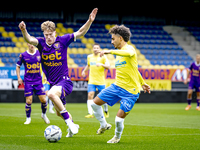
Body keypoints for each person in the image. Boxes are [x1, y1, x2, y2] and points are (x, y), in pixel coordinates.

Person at [18, 8, 98, 136]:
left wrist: (89, 21)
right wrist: (24, 30)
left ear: (55, 32)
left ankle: (70, 124)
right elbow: (29, 39)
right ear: (43, 34)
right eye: (46, 35)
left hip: (65, 81)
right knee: (58, 112)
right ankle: (72, 125)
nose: (48, 37)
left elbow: (80, 32)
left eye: (50, 34)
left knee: (50, 94)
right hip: (54, 84)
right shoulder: (41, 43)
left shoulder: (63, 40)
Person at [90, 25, 151, 143]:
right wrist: (143, 83)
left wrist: (109, 51)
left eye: (113, 39)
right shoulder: (118, 54)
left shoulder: (130, 50)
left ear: (120, 38)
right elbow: (134, 69)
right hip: (116, 86)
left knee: (118, 120)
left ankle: (116, 137)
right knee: (94, 104)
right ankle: (104, 125)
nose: (111, 41)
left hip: (130, 92)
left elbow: (128, 54)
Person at [16, 43, 50, 125]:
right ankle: (28, 118)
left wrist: (45, 75)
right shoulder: (23, 55)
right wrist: (19, 78)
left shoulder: (39, 53)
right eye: (30, 44)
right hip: (28, 81)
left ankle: (44, 114)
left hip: (38, 81)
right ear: (27, 44)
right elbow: (18, 66)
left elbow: (45, 64)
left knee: (44, 100)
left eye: (33, 44)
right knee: (29, 101)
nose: (32, 45)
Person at [82, 43, 110, 118]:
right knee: (90, 95)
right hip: (92, 80)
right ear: (93, 49)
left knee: (103, 97)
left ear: (99, 49)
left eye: (97, 48)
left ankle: (106, 111)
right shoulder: (89, 57)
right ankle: (90, 113)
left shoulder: (103, 57)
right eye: (94, 48)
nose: (96, 49)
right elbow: (88, 65)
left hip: (101, 81)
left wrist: (101, 64)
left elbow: (108, 67)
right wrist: (84, 71)